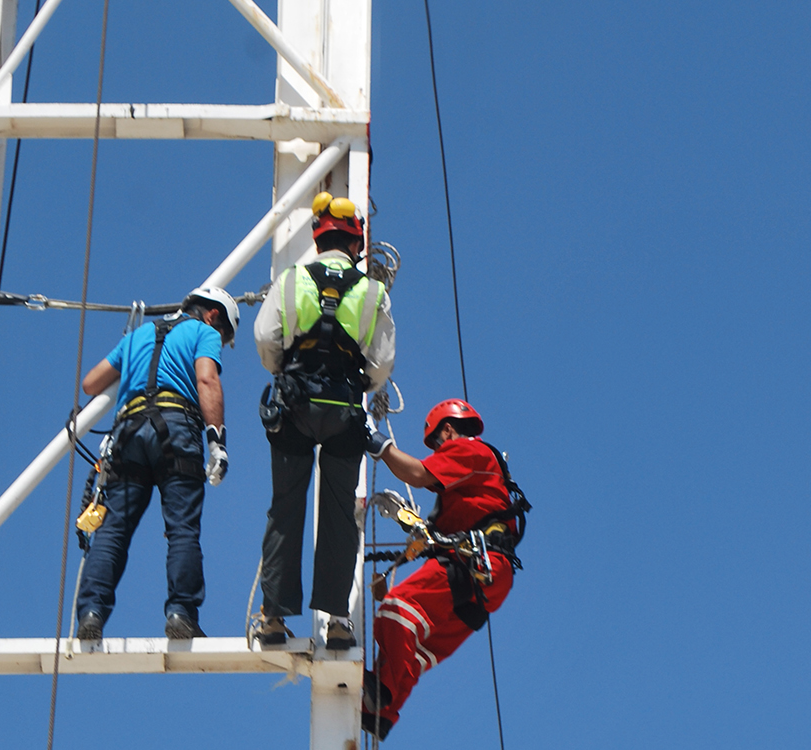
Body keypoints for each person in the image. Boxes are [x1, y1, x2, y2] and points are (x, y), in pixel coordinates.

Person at [251, 192, 395, 649]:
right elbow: (381, 364)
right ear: (356, 245)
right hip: (344, 412)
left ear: (318, 241)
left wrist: (286, 371)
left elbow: (266, 337)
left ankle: (273, 617)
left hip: (294, 407)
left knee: (285, 509)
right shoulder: (373, 292)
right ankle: (337, 620)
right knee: (338, 515)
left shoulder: (291, 280)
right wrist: (356, 385)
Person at [73, 286, 239, 640]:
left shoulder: (138, 335)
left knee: (113, 530)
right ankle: (181, 614)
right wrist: (217, 442)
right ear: (213, 315)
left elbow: (91, 383)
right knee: (182, 528)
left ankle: (91, 613)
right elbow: (206, 378)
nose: (221, 341)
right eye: (225, 336)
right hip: (176, 429)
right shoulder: (204, 332)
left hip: (128, 433)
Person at [360, 399, 527, 741]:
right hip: (490, 579)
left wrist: (377, 443)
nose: (439, 451)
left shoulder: (469, 450)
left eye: (437, 443)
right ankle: (379, 715)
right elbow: (449, 530)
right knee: (416, 652)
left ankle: (383, 692)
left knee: (397, 610)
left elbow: (417, 474)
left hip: (472, 563)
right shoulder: (478, 484)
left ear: (448, 430)